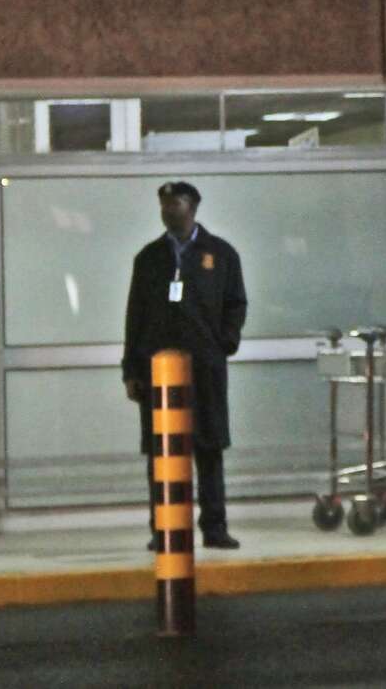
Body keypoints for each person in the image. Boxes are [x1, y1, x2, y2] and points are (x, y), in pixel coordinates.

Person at [123, 181, 249, 549]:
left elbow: (236, 303)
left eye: (174, 203)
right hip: (158, 371)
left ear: (192, 206)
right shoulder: (149, 258)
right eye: (163, 204)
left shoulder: (220, 254)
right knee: (161, 451)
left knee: (209, 448)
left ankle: (214, 527)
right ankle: (163, 527)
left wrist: (224, 343)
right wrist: (131, 370)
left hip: (204, 368)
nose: (167, 210)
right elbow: (135, 317)